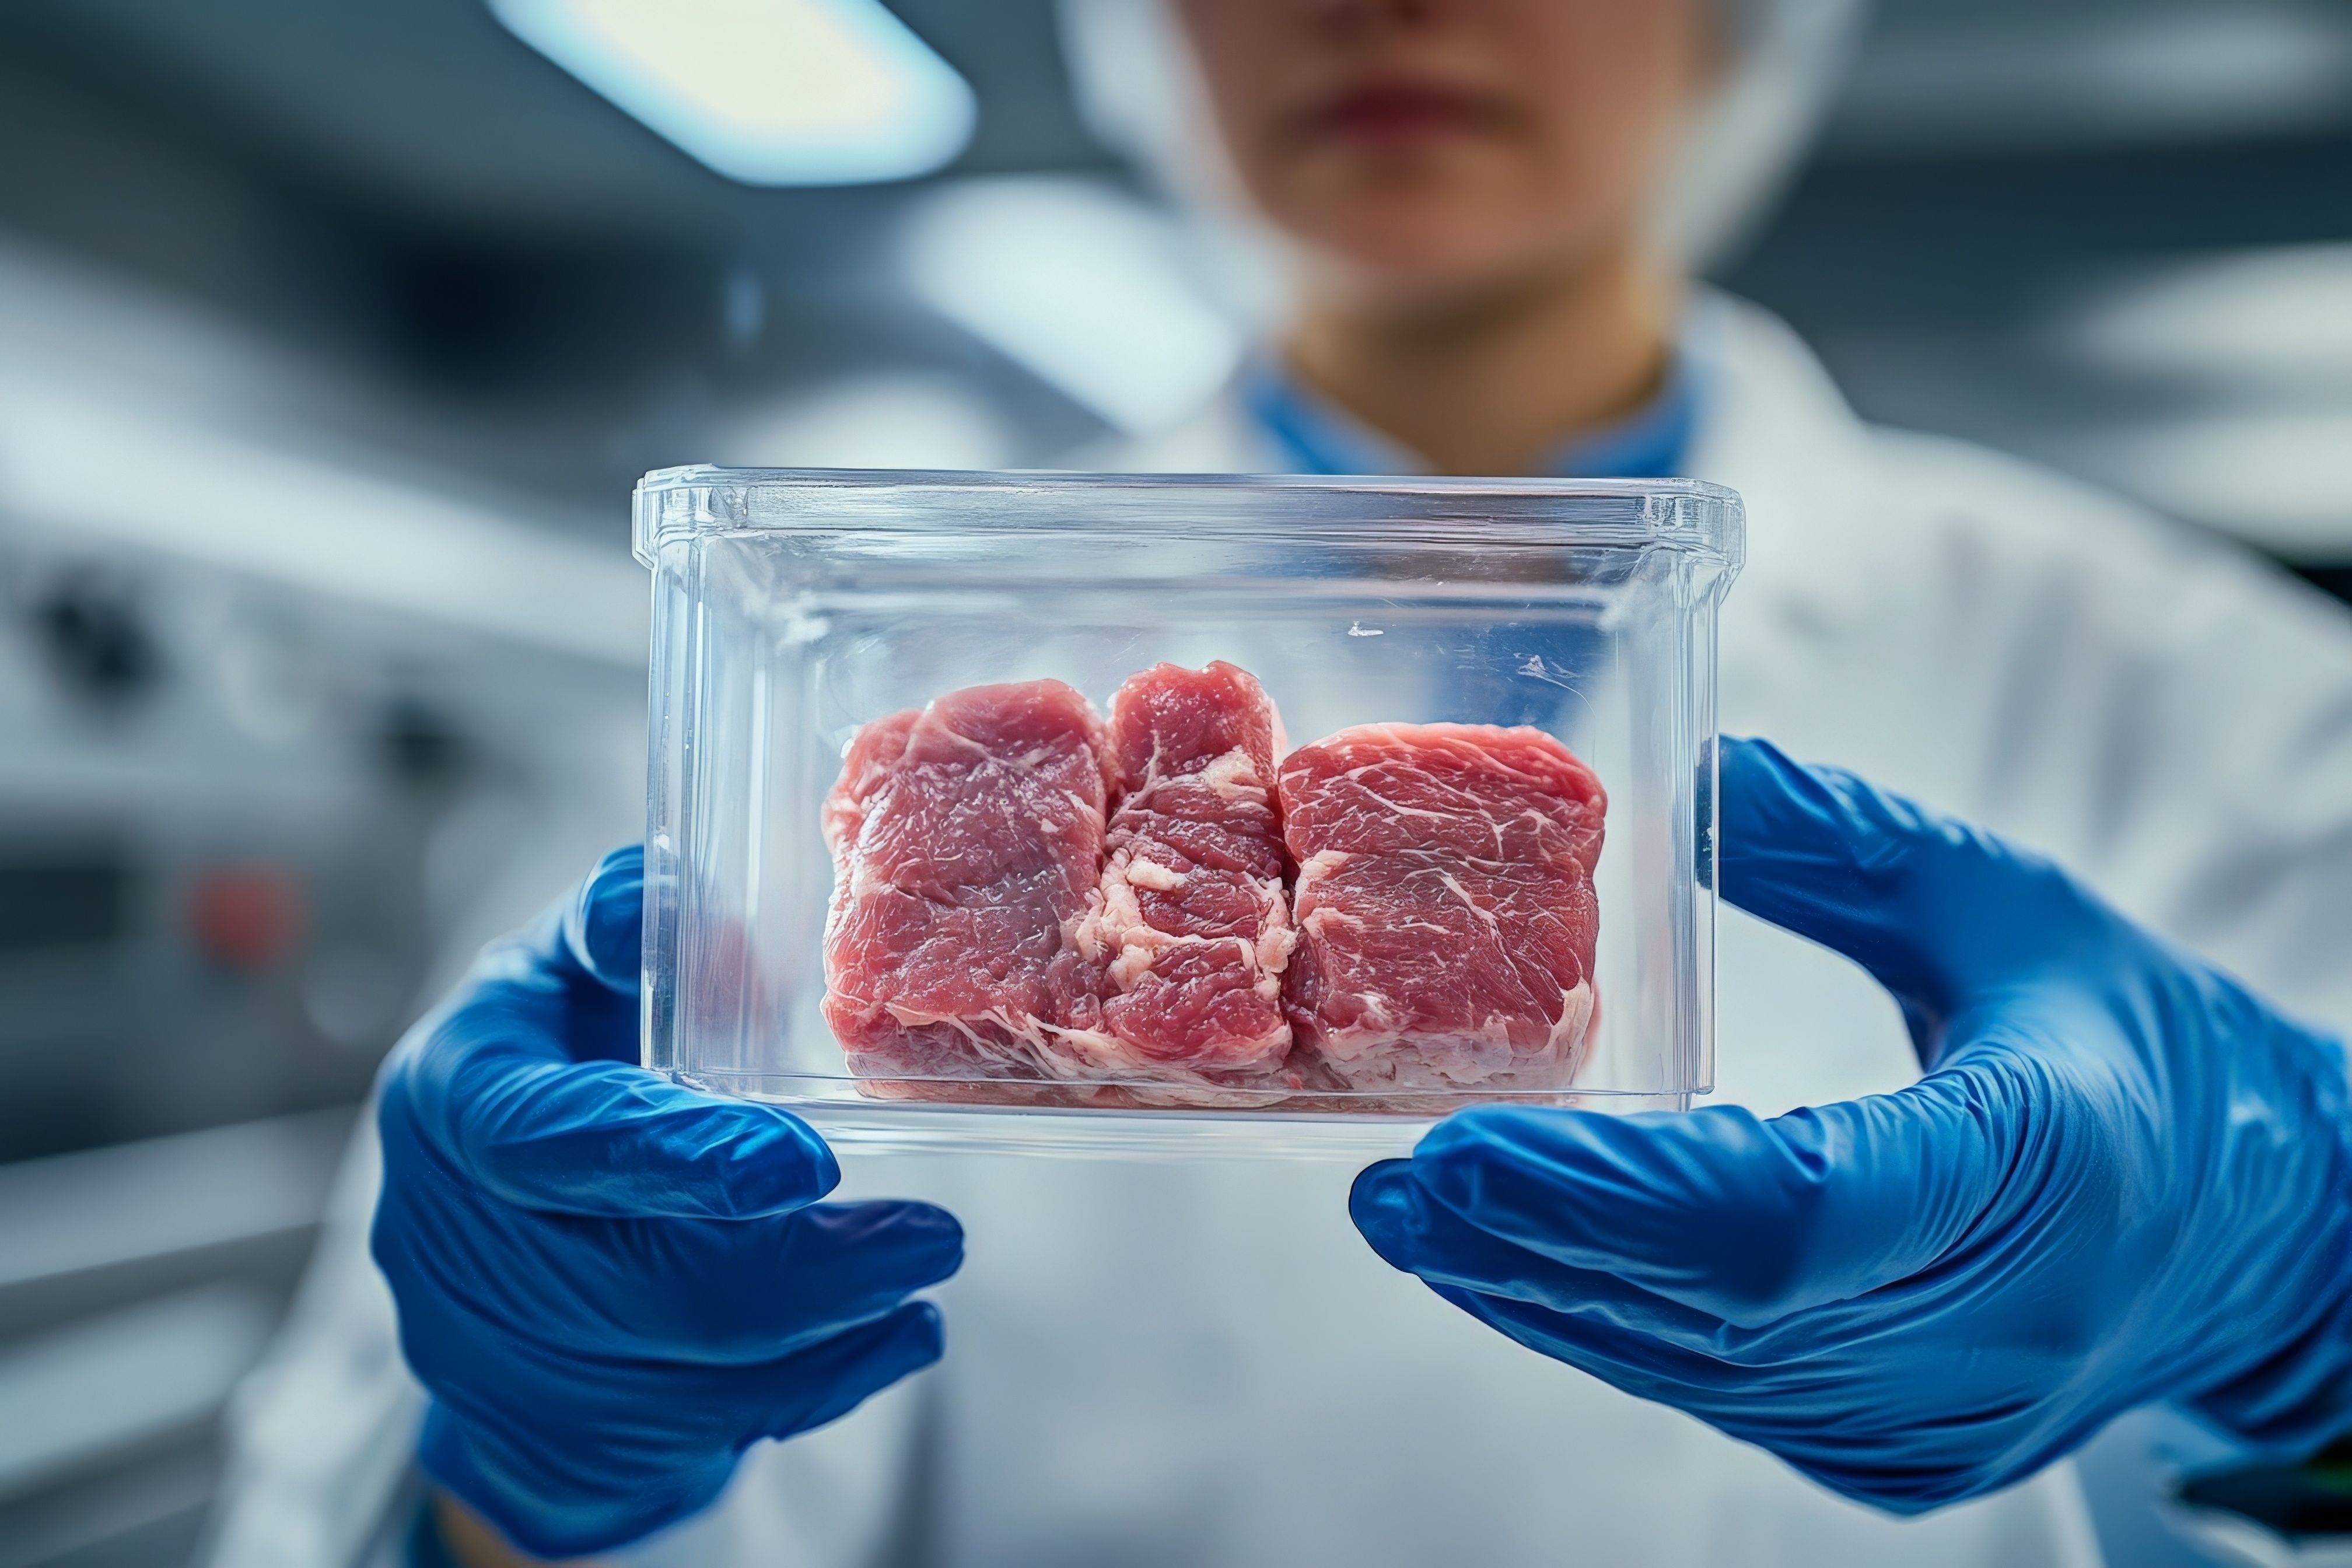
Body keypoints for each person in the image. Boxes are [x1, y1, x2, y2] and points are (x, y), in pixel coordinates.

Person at [202, 1, 2352, 1564]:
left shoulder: (2181, 676)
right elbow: (354, 1499)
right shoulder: (820, 677)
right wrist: (527, 1476)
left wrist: (2302, 1303)